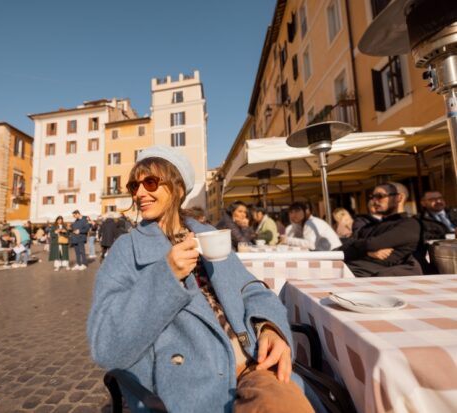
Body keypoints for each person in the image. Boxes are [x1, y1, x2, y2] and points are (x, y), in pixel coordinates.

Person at [88, 145, 314, 413]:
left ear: (178, 189)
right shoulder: (126, 250)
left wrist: (270, 327)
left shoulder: (206, 233)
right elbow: (105, 345)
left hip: (255, 364)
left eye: (149, 182)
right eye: (133, 185)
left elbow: (250, 288)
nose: (139, 193)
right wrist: (166, 275)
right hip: (193, 382)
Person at [342, 182, 422, 277]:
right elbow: (344, 248)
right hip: (351, 269)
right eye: (372, 197)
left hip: (372, 276)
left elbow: (372, 244)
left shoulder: (409, 224)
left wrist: (360, 246)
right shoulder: (370, 226)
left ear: (399, 198)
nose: (374, 201)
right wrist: (368, 252)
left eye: (380, 196)